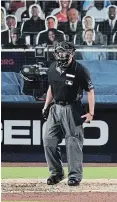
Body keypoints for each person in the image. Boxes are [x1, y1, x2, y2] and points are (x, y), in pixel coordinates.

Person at [42, 41, 95, 187]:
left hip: (72, 107)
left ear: (71, 53)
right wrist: (46, 105)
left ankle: (75, 176)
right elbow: (51, 88)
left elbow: (90, 90)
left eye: (64, 52)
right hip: (55, 108)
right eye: (59, 52)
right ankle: (56, 173)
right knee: (48, 139)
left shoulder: (80, 70)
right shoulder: (52, 67)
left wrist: (91, 112)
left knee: (73, 142)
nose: (61, 55)